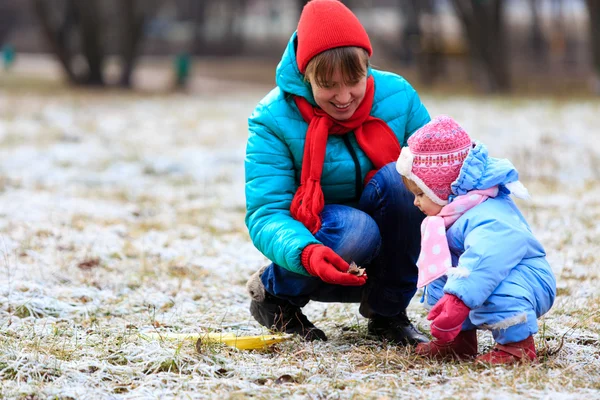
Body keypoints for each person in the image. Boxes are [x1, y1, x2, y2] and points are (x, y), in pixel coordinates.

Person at [244, 0, 431, 344]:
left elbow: (437, 171)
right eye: (328, 84)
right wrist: (306, 253)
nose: (344, 97)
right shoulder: (272, 118)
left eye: (354, 80)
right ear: (306, 77)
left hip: (391, 250)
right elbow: (266, 213)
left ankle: (387, 313)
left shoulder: (398, 96)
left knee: (403, 179)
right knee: (358, 229)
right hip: (327, 243)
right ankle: (277, 298)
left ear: (367, 66)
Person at [396, 115, 556, 364]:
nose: (415, 202)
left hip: (524, 279)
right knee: (444, 269)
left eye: (420, 193)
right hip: (482, 275)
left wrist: (459, 299)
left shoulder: (487, 212)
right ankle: (457, 342)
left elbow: (486, 260)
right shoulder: (451, 214)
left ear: (444, 188)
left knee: (491, 284)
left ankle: (517, 346)